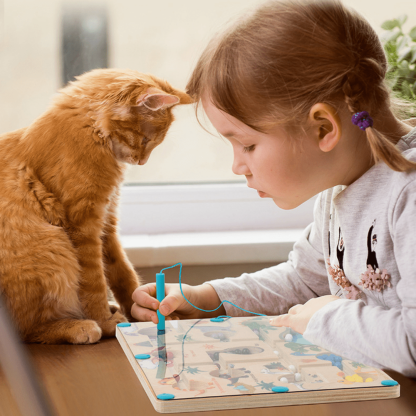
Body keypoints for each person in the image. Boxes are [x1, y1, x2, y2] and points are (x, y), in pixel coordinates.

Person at [131, 0, 416, 377]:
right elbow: (303, 281)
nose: (237, 165)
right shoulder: (340, 190)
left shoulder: (407, 195)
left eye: (247, 145)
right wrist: (210, 299)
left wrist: (324, 318)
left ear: (323, 129)